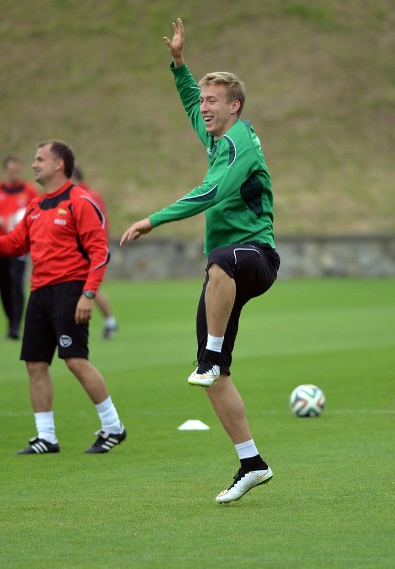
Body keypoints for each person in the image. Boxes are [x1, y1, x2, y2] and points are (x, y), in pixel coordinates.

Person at [120, 19, 280, 502]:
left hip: (257, 256)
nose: (205, 107)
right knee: (213, 377)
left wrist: (153, 219)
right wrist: (178, 65)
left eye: (215, 101)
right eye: (206, 101)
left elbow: (211, 192)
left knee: (222, 261)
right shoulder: (214, 134)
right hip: (227, 267)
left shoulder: (240, 144)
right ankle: (251, 462)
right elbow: (190, 101)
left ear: (235, 107)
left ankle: (210, 356)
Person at [0, 140, 127, 454]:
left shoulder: (80, 201)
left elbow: (100, 252)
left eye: (40, 159)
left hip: (70, 290)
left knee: (75, 361)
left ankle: (114, 427)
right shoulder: (35, 205)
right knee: (35, 364)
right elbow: (17, 244)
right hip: (39, 293)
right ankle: (46, 437)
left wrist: (88, 294)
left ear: (59, 165)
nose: (34, 164)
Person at [0, 156, 39, 339]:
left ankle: (15, 326)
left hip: (19, 244)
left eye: (17, 171)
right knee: (3, 284)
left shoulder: (29, 191)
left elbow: (38, 212)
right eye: (11, 171)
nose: (15, 174)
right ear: (5, 171)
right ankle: (11, 319)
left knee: (17, 282)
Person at [72, 166, 118, 339]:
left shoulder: (88, 197)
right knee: (85, 287)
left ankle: (110, 321)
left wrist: (96, 248)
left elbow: (100, 224)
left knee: (90, 287)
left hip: (89, 250)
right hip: (82, 250)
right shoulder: (81, 196)